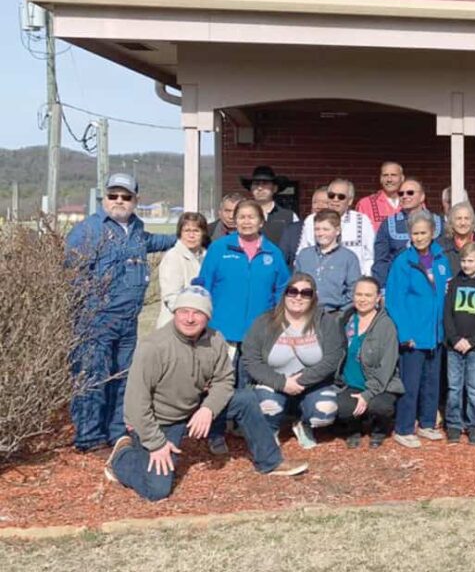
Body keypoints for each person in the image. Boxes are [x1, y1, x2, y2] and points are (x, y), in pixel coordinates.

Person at [104, 286, 306, 500]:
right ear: (175, 313)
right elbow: (136, 404)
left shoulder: (215, 339)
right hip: (160, 421)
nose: (190, 319)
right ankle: (122, 457)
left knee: (245, 399)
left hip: (193, 408)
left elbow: (224, 380)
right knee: (157, 490)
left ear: (207, 317)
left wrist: (208, 409)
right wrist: (157, 443)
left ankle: (270, 461)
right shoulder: (154, 347)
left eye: (198, 313)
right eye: (184, 311)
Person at [65, 173, 175, 453]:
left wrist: (189, 235)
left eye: (126, 196)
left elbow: (156, 242)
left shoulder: (137, 229)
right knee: (93, 379)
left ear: (136, 200)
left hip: (128, 323)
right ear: (104, 197)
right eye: (113, 195)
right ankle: (89, 438)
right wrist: (89, 306)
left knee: (122, 378)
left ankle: (116, 433)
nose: (119, 201)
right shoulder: (88, 230)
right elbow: (70, 272)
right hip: (95, 322)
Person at [191, 198, 290, 454]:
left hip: (257, 333)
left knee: (248, 386)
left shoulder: (272, 253)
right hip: (221, 331)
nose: (246, 221)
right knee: (220, 384)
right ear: (234, 220)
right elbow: (204, 284)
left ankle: (247, 432)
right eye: (241, 217)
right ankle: (216, 432)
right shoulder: (220, 248)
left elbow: (282, 289)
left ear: (261, 221)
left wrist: (275, 320)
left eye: (251, 217)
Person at [242, 273, 345, 449]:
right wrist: (281, 382)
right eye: (293, 291)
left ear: (313, 297)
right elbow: (251, 360)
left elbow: (332, 359)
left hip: (312, 383)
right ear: (285, 294)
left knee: (325, 412)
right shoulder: (265, 321)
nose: (298, 297)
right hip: (273, 382)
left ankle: (303, 424)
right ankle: (271, 430)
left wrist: (301, 380)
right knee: (267, 406)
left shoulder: (325, 322)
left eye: (306, 293)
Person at [385, 213, 453, 448]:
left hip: (436, 334)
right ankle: (404, 427)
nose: (420, 237)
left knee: (432, 383)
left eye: (424, 232)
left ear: (433, 233)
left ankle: (426, 424)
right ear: (409, 235)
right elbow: (394, 301)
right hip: (413, 335)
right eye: (415, 233)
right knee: (410, 384)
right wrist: (405, 334)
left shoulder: (441, 259)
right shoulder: (403, 262)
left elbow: (446, 293)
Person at [334, 277, 405, 448]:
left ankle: (379, 429)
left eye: (368, 295)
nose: (362, 299)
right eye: (358, 294)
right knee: (340, 407)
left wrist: (368, 394)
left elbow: (387, 366)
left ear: (377, 298)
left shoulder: (386, 325)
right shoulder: (344, 320)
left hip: (380, 384)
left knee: (380, 406)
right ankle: (353, 428)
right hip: (350, 383)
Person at [443, 242, 475, 446]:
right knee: (454, 387)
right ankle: (454, 424)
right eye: (463, 260)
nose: (466, 264)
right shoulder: (454, 283)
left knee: (474, 388)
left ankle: (474, 424)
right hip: (454, 346)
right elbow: (447, 314)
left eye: (470, 261)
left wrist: (471, 341)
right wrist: (455, 339)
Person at [296, 178, 375, 278]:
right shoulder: (311, 220)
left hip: (353, 280)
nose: (335, 199)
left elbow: (371, 255)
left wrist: (365, 278)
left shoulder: (362, 220)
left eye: (341, 197)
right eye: (331, 195)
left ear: (350, 201)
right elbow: (302, 253)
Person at [373, 178, 445, 281]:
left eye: (410, 193)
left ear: (422, 197)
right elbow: (381, 261)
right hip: (399, 283)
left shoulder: (438, 222)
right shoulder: (388, 224)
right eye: (401, 193)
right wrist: (383, 289)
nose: (405, 196)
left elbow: (445, 256)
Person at [295, 209, 362, 312]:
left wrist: (341, 314)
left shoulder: (349, 258)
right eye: (317, 229)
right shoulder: (304, 255)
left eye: (326, 229)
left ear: (337, 230)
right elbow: (295, 284)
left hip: (333, 314)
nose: (320, 233)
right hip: (304, 312)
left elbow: (354, 290)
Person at [156, 211, 209, 328]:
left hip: (201, 322)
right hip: (177, 323)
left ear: (203, 233)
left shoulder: (207, 256)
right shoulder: (173, 257)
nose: (191, 235)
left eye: (196, 231)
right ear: (180, 233)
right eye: (187, 231)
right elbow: (171, 296)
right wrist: (189, 318)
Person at [240, 165, 297, 246]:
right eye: (256, 184)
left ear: (274, 188)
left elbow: (296, 246)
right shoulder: (242, 216)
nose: (260, 188)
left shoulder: (289, 216)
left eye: (265, 183)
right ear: (251, 188)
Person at [280, 187, 327, 268]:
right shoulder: (293, 230)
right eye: (315, 202)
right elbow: (281, 262)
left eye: (324, 202)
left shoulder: (339, 229)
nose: (319, 206)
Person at [438, 201, 475, 276]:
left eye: (467, 218)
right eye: (458, 218)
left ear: (472, 221)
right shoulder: (440, 246)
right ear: (451, 222)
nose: (463, 223)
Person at [356, 161, 405, 230]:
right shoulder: (365, 204)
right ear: (381, 179)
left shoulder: (412, 201)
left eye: (393, 175)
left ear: (402, 178)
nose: (389, 179)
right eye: (385, 175)